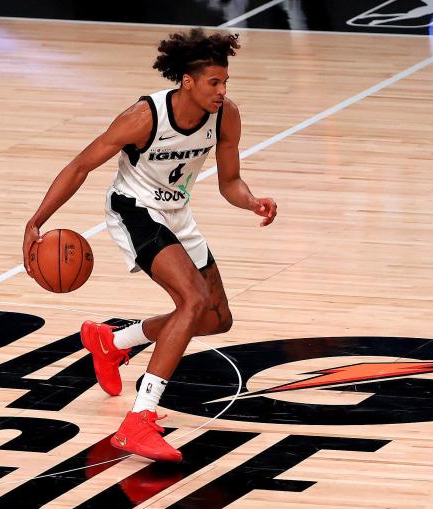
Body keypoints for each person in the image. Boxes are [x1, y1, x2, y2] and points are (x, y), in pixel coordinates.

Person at [22, 28, 277, 462]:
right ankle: (138, 421)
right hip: (134, 209)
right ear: (188, 81)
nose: (222, 91)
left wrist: (252, 202)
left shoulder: (226, 116)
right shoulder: (144, 117)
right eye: (214, 82)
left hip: (177, 212)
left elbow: (230, 182)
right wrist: (36, 221)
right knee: (192, 301)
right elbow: (81, 165)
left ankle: (113, 342)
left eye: (226, 82)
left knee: (216, 319)